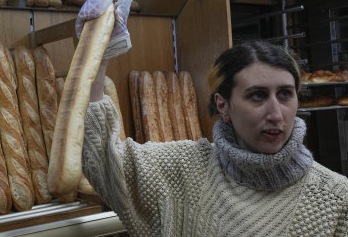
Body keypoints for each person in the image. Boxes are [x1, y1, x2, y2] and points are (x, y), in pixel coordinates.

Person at [82, 35, 348, 236]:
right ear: (223, 105)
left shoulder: (336, 198)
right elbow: (106, 161)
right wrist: (97, 53)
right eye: (258, 96)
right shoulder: (186, 168)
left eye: (285, 95)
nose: (277, 115)